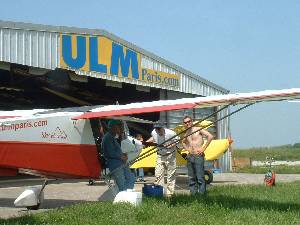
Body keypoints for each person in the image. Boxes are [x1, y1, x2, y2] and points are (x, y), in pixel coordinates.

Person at [182, 115, 214, 195]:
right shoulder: (186, 133)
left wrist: (203, 148)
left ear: (192, 121)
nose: (187, 123)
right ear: (184, 124)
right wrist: (187, 149)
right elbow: (182, 142)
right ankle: (193, 194)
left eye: (189, 121)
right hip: (190, 156)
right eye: (185, 122)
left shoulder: (198, 129)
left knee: (200, 177)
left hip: (198, 156)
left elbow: (210, 136)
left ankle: (202, 195)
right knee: (191, 177)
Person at [146, 122, 179, 196]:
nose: (158, 131)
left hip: (170, 155)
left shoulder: (171, 133)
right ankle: (159, 193)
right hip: (160, 155)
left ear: (163, 127)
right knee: (158, 175)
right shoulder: (154, 132)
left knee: (170, 176)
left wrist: (171, 145)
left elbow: (177, 140)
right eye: (156, 129)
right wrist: (146, 142)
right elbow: (153, 138)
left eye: (159, 129)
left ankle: (170, 195)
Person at [102, 119, 135, 192]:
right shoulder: (108, 138)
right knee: (122, 184)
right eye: (119, 126)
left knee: (131, 178)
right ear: (113, 127)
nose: (122, 128)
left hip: (121, 163)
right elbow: (110, 153)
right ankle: (124, 197)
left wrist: (123, 155)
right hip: (115, 165)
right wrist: (121, 156)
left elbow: (115, 152)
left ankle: (126, 194)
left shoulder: (112, 137)